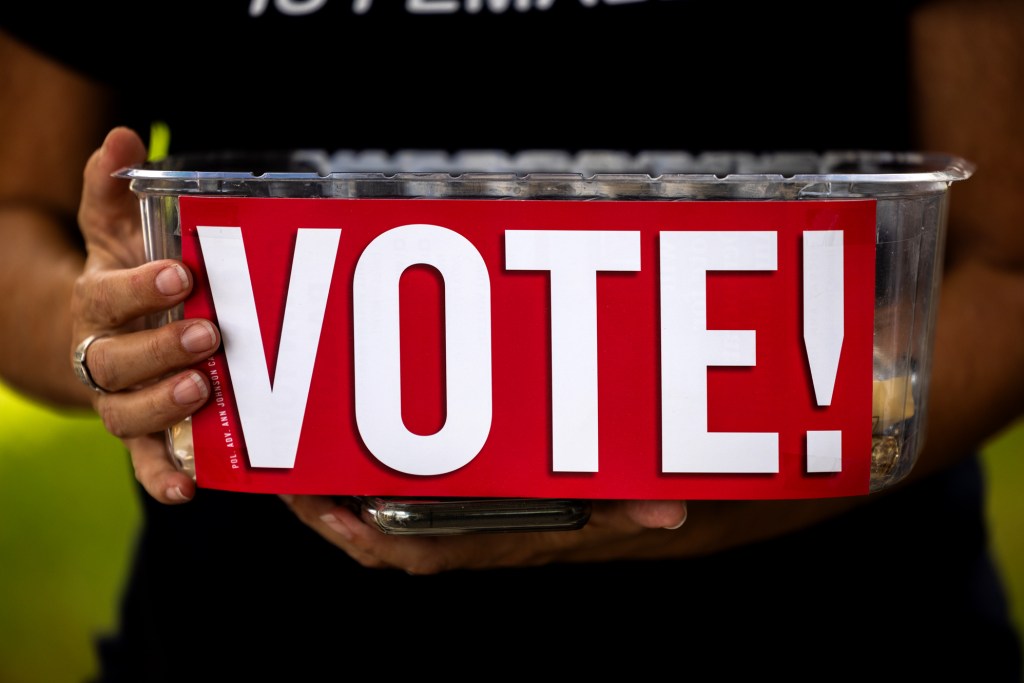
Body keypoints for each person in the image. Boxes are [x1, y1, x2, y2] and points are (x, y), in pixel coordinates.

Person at [1, 1, 1022, 679]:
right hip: (254, 626)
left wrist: (721, 510)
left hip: (838, 622)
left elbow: (1008, 261)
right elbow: (18, 216)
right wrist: (103, 337)